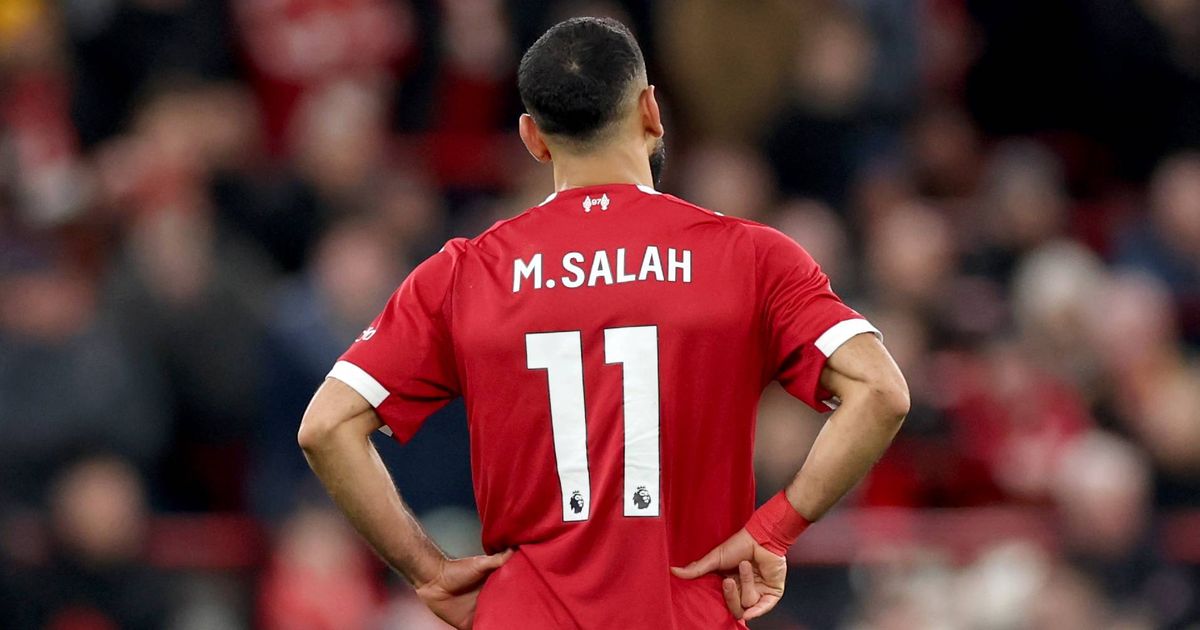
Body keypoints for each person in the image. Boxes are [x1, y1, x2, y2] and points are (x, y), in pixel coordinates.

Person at [298, 17, 908, 629]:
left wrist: (426, 571)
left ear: (533, 139)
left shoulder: (465, 273)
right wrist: (775, 529)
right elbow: (880, 391)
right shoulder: (748, 257)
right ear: (651, 111)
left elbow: (327, 427)